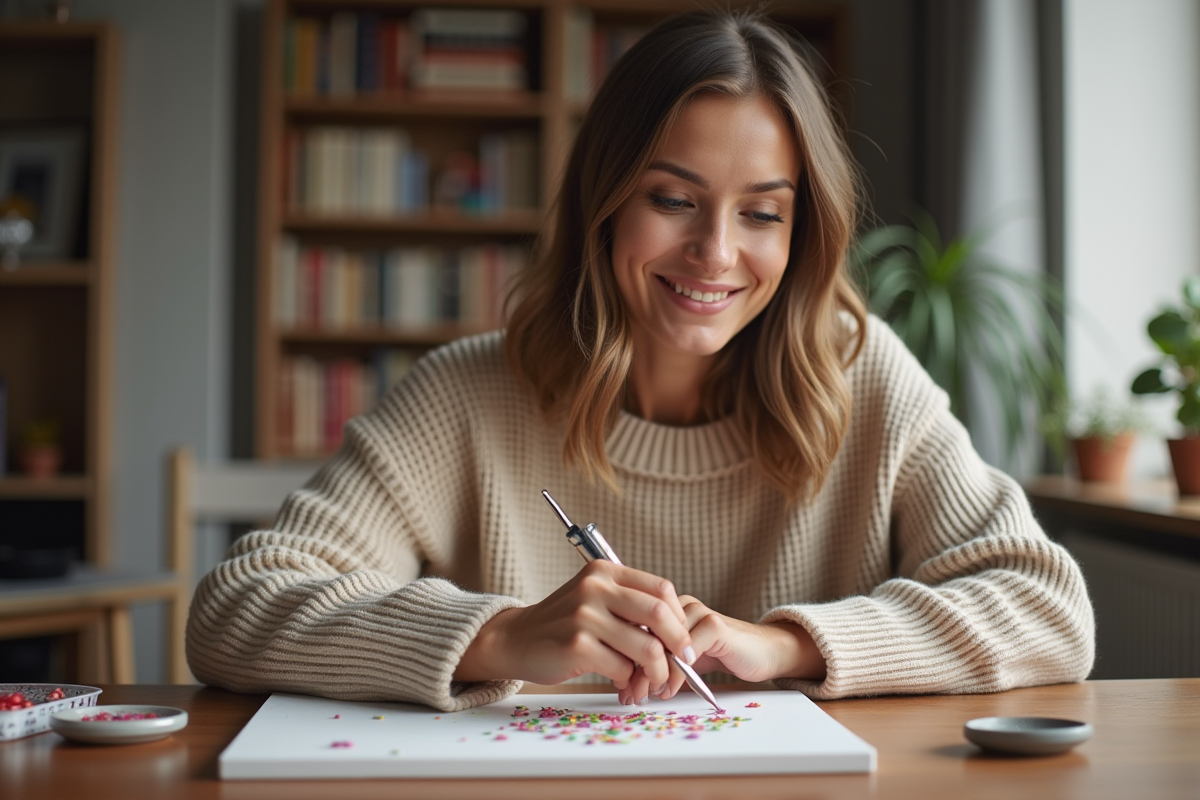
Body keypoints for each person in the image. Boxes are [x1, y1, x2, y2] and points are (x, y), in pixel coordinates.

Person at [187, 10, 1094, 711]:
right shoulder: (465, 395)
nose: (715, 253)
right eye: (673, 199)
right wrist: (499, 636)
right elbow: (235, 608)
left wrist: (786, 644)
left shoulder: (864, 377)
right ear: (606, 200)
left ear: (802, 231)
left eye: (763, 213)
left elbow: (1049, 610)